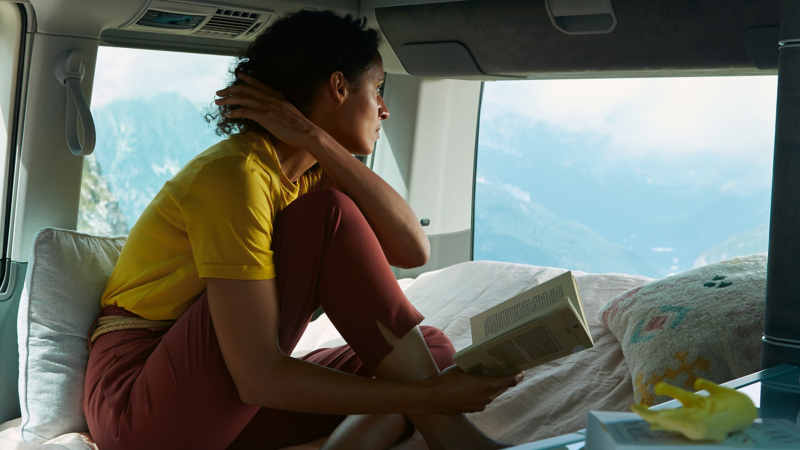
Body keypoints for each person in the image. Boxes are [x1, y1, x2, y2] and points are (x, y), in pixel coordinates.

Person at [83, 9, 522, 450]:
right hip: (139, 406)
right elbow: (259, 378)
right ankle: (453, 436)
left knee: (429, 351)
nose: (385, 109)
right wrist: (429, 398)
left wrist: (317, 139)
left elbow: (412, 249)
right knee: (331, 220)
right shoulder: (236, 176)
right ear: (338, 87)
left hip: (214, 390)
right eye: (379, 90)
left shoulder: (309, 174)